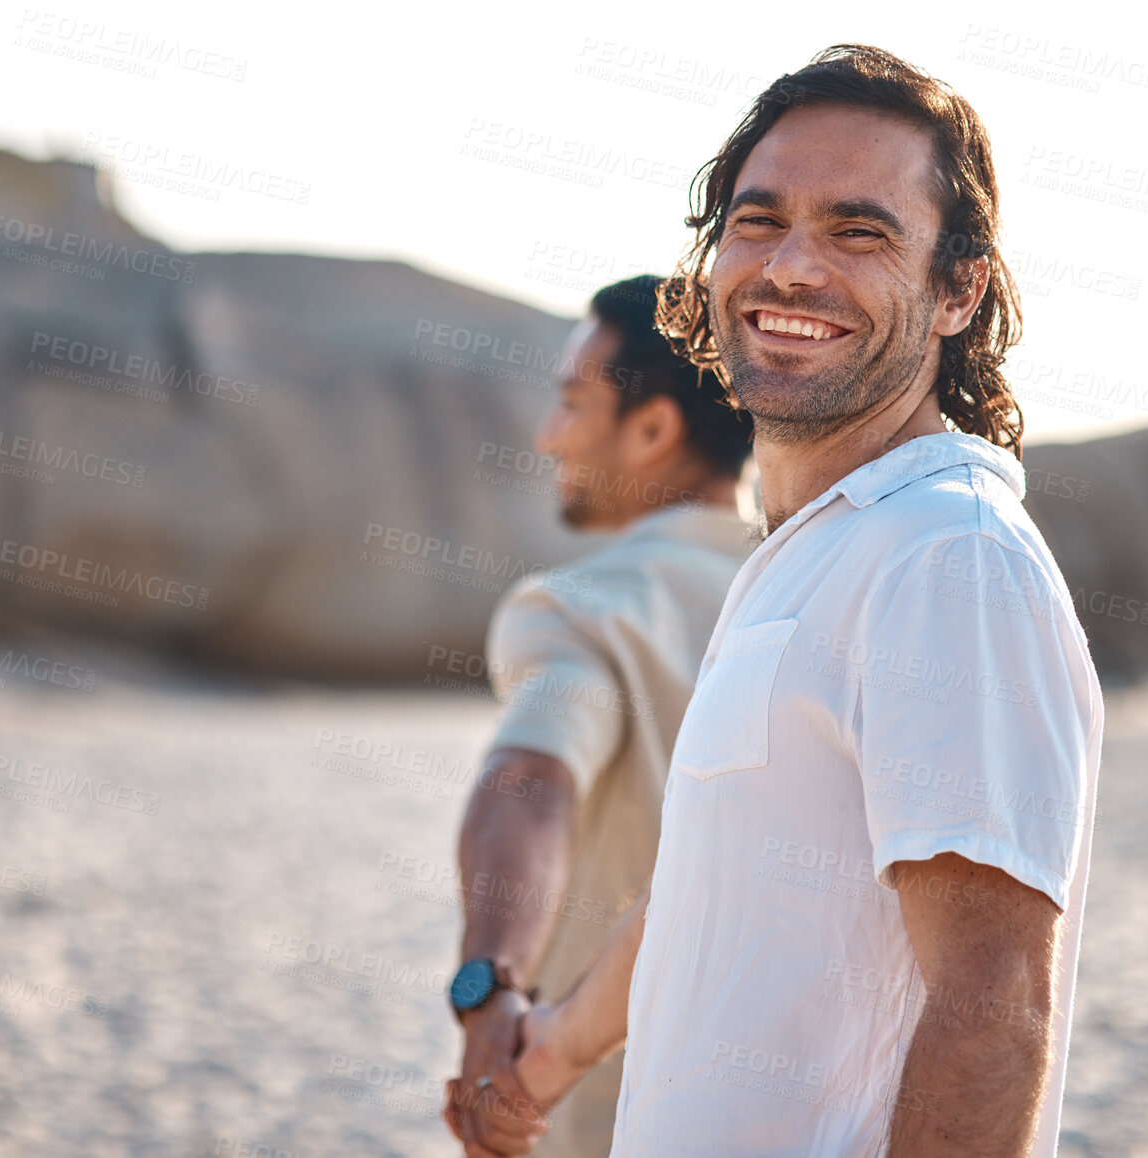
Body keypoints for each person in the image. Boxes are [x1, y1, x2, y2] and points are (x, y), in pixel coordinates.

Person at [465, 45, 1104, 1158]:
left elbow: (992, 1001)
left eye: (859, 232)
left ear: (958, 288)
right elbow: (717, 892)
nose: (792, 270)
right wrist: (552, 1048)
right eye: (757, 222)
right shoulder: (815, 550)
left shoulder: (945, 557)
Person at [442, 275, 755, 1157]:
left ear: (653, 428)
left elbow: (533, 780)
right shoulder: (817, 599)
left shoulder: (587, 608)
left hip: (609, 1115)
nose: (549, 435)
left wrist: (489, 992)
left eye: (573, 403)